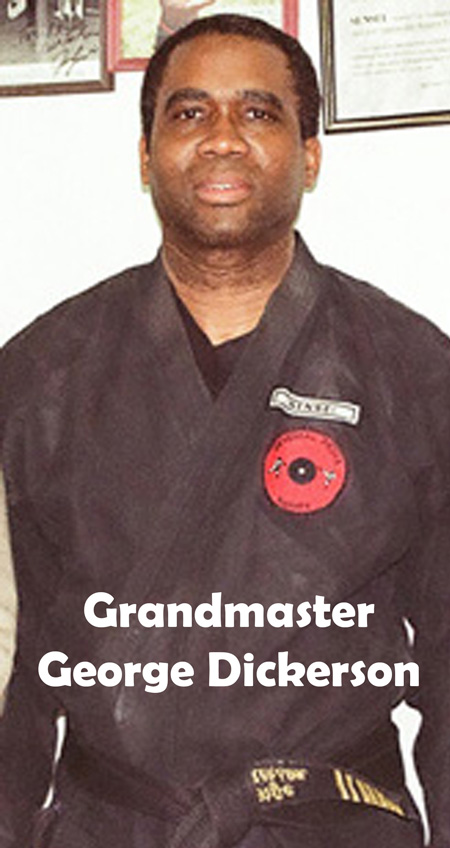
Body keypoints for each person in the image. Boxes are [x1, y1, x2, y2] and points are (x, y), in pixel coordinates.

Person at [0, 13, 449, 848]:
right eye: (190, 112)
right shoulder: (38, 376)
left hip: (332, 823)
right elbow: (10, 673)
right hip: (116, 827)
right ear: (146, 156)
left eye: (258, 111)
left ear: (309, 156)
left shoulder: (416, 371)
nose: (222, 137)